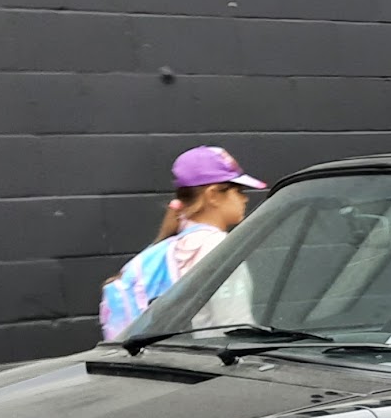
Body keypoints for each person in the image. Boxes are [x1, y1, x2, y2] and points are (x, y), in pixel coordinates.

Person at [99, 146, 266, 341]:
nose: (245, 199)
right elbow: (234, 327)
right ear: (213, 195)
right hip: (209, 356)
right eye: (238, 191)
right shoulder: (217, 246)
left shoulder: (171, 247)